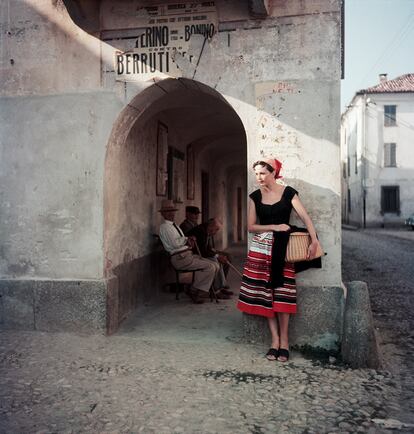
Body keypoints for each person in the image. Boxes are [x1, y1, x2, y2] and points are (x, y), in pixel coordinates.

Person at [237, 159, 322, 362]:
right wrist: (275, 226)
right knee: (266, 295)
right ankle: (274, 341)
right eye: (256, 174)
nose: (258, 177)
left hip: (283, 250)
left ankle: (285, 341)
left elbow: (305, 218)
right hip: (260, 249)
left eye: (262, 173)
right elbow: (250, 226)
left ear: (273, 173)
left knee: (283, 294)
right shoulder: (254, 197)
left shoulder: (288, 193)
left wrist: (314, 241)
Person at [158, 200, 217, 304]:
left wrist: (188, 240)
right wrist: (187, 239)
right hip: (180, 258)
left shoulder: (174, 225)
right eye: (168, 212)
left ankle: (197, 289)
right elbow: (175, 244)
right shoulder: (164, 227)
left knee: (215, 265)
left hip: (187, 255)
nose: (171, 214)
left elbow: (181, 240)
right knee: (210, 267)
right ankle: (195, 291)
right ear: (163, 214)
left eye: (172, 211)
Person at [188, 218, 233, 297]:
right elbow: (203, 252)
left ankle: (220, 287)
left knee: (223, 258)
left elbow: (207, 247)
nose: (216, 232)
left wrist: (216, 253)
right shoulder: (201, 231)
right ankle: (216, 291)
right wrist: (217, 256)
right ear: (211, 226)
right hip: (193, 254)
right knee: (216, 261)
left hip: (201, 253)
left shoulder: (206, 230)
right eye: (216, 229)